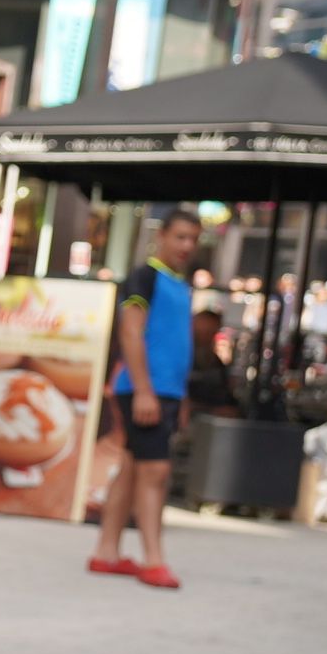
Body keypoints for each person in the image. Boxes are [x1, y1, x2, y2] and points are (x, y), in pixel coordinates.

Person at [89, 204, 205, 591]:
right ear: (162, 236)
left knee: (131, 465)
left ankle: (106, 551)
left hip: (164, 392)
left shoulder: (180, 284)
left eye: (193, 239)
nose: (187, 245)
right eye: (180, 237)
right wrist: (142, 388)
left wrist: (180, 397)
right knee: (154, 471)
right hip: (143, 391)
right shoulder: (144, 277)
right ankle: (153, 559)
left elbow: (175, 345)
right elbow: (131, 332)